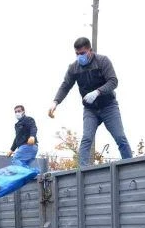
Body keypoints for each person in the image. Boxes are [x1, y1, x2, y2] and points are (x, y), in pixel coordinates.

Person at [49, 37, 132, 166]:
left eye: (82, 53)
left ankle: (130, 164)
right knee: (87, 138)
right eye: (77, 54)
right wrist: (55, 102)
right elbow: (65, 86)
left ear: (90, 51)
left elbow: (113, 81)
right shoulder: (74, 68)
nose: (79, 56)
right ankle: (82, 171)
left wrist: (97, 92)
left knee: (120, 137)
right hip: (90, 110)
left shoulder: (102, 61)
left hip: (108, 106)